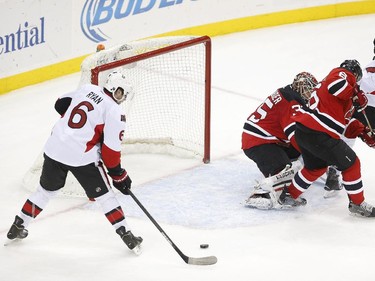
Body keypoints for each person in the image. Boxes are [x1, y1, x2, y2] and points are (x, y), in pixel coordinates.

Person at [6, 71, 143, 252]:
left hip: (54, 147)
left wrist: (80, 128)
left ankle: (18, 225)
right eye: (121, 93)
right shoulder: (115, 111)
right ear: (114, 89)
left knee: (44, 191)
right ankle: (126, 235)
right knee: (106, 197)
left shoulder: (87, 89)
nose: (122, 98)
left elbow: (60, 104)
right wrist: (119, 175)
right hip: (81, 157)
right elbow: (110, 152)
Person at [278, 59, 375, 217]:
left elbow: (345, 126)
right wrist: (355, 93)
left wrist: (364, 132)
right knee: (352, 164)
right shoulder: (341, 74)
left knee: (315, 168)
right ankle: (357, 204)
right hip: (319, 133)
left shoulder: (343, 97)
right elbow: (336, 86)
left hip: (306, 132)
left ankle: (289, 195)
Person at [242, 72, 334, 209]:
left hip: (270, 139)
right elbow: (295, 136)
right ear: (300, 88)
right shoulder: (292, 102)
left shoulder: (289, 93)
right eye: (308, 90)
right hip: (258, 142)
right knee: (286, 171)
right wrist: (316, 156)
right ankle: (258, 194)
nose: (310, 94)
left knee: (304, 149)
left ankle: (279, 171)